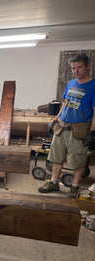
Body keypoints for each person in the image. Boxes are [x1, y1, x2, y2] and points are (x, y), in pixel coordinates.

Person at [38, 53, 95, 198]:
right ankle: (54, 182)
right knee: (56, 156)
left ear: (87, 67)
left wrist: (93, 132)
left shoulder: (93, 85)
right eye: (73, 68)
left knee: (78, 160)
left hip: (80, 129)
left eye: (79, 67)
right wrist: (56, 119)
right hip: (62, 126)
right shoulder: (70, 83)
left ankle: (75, 186)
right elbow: (65, 103)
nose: (76, 71)